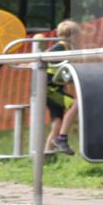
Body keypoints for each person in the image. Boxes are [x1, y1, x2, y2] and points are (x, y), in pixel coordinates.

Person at [45, 19, 81, 155]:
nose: (78, 38)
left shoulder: (67, 48)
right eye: (77, 35)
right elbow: (45, 57)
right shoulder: (60, 47)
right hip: (50, 91)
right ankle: (62, 139)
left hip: (55, 90)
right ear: (69, 36)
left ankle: (46, 157)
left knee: (57, 125)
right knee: (75, 104)